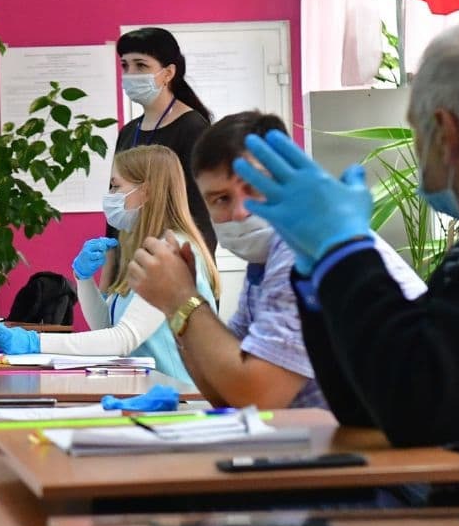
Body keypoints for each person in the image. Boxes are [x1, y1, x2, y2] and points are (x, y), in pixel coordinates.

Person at [136, 22, 459, 513]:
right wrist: (318, 271)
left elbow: (416, 401)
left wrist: (344, 251)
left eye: (416, 132)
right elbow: (367, 404)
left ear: (444, 131)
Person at [130, 111, 423, 410]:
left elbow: (258, 396)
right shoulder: (263, 263)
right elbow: (223, 391)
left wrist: (182, 297)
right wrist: (175, 308)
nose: (241, 212)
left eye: (254, 187)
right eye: (221, 199)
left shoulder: (300, 251)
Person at [0, 145, 218, 386]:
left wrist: (35, 342)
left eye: (116, 186)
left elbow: (124, 338)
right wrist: (83, 278)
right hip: (149, 390)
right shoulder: (144, 248)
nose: (110, 195)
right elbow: (104, 325)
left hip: (180, 396)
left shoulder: (172, 250)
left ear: (146, 191)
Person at [105, 28, 217, 260]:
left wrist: (186, 269)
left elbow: (201, 215)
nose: (130, 74)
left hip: (172, 264)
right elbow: (116, 203)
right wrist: (110, 266)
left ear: (168, 73)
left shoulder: (193, 128)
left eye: (141, 65)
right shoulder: (129, 131)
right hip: (130, 261)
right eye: (125, 65)